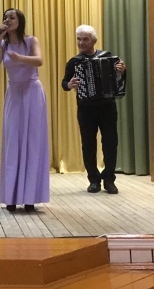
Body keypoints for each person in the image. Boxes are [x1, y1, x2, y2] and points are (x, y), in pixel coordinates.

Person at [0, 8, 50, 212]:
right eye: (5, 17)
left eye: (12, 17)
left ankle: (30, 197)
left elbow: (39, 60)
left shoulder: (31, 40)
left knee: (32, 142)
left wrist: (20, 58)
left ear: (20, 21)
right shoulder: (4, 43)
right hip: (14, 93)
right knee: (13, 142)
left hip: (32, 91)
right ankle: (11, 197)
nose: (8, 20)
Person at [61, 25, 126, 194]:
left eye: (85, 39)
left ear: (94, 41)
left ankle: (109, 179)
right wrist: (69, 84)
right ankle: (94, 180)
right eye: (79, 39)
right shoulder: (74, 62)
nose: (81, 43)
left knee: (110, 143)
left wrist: (121, 72)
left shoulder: (108, 57)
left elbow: (118, 82)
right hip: (86, 108)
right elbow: (64, 83)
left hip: (107, 107)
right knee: (88, 144)